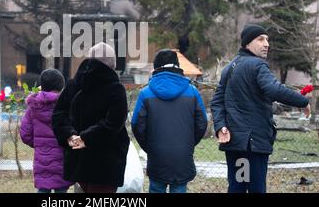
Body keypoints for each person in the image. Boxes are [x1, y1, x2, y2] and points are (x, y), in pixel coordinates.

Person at [210, 24, 311, 193]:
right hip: (254, 143)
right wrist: (302, 101)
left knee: (238, 186)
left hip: (235, 143)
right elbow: (274, 89)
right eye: (261, 39)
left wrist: (221, 126)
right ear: (247, 43)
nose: (267, 44)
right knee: (256, 189)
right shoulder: (257, 65)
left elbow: (216, 102)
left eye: (267, 40)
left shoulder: (229, 68)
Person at [52, 42, 130, 193]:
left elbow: (58, 115)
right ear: (112, 64)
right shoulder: (115, 88)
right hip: (105, 163)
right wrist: (85, 138)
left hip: (77, 160)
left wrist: (70, 135)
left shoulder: (73, 85)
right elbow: (114, 123)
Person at [131, 49, 208, 193]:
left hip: (156, 154)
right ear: (178, 66)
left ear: (156, 67)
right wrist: (189, 143)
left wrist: (149, 146)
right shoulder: (192, 92)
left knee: (156, 188)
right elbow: (202, 123)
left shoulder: (145, 93)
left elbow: (137, 126)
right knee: (179, 188)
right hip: (183, 154)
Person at [20, 69, 73, 193]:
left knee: (43, 190)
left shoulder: (33, 107)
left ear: (42, 86)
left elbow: (25, 134)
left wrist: (39, 144)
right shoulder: (66, 105)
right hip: (62, 161)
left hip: (41, 160)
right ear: (61, 86)